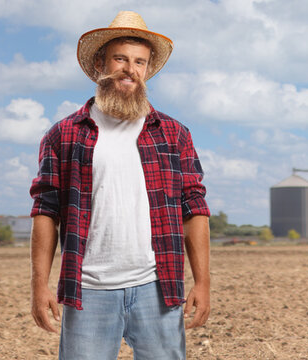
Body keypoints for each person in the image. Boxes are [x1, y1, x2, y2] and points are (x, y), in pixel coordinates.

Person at [28, 10, 210, 359]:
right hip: (88, 290)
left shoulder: (173, 134)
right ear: (101, 63)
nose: (131, 69)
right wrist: (40, 285)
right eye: (121, 59)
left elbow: (194, 208)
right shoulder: (64, 135)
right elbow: (45, 212)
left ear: (147, 70)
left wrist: (202, 281)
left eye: (140, 62)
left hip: (158, 288)